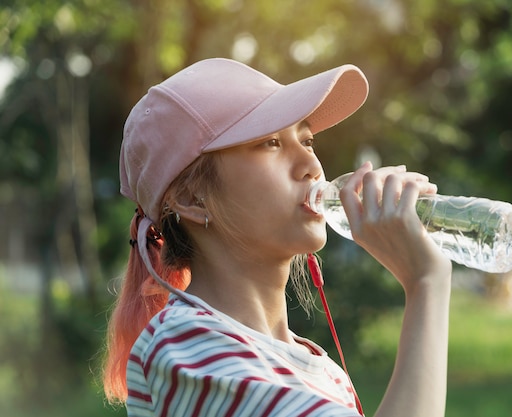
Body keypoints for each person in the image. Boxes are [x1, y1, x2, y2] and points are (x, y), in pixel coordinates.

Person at [102, 57, 452, 417]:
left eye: (307, 139)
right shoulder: (189, 349)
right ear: (192, 199)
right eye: (270, 142)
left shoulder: (320, 369)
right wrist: (426, 284)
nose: (312, 166)